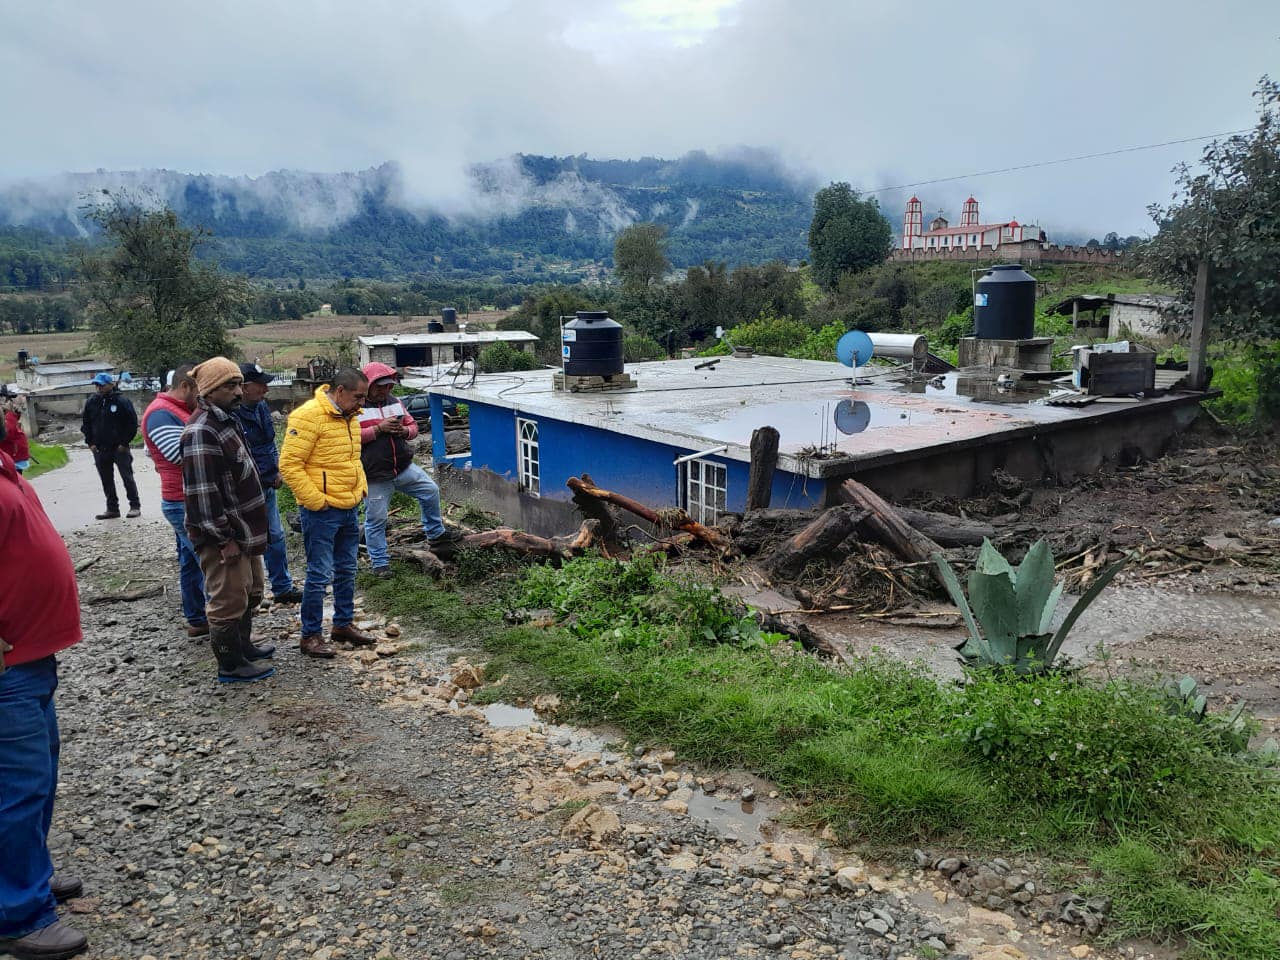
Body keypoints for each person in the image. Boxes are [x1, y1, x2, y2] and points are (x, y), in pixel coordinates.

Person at [0, 414, 90, 960]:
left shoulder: (8, 466)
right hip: (8, 672)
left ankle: (26, 876)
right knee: (17, 787)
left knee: (39, 776)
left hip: (32, 658)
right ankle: (19, 916)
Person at [181, 357, 275, 683]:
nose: (238, 391)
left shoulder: (227, 421)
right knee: (227, 601)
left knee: (250, 592)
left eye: (238, 384)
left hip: (243, 532)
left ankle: (244, 648)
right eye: (229, 386)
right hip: (224, 538)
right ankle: (230, 665)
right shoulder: (201, 431)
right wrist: (225, 540)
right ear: (209, 390)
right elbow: (202, 497)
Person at [279, 367, 376, 658]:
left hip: (349, 504)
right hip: (321, 510)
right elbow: (289, 465)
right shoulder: (308, 416)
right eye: (359, 396)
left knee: (347, 568)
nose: (363, 402)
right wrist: (315, 500)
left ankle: (342, 624)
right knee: (319, 574)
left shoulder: (351, 417)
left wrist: (360, 489)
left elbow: (351, 459)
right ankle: (309, 635)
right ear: (341, 391)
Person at [358, 362, 461, 578]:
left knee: (430, 491)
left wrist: (404, 431)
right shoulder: (355, 407)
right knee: (376, 519)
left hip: (402, 467)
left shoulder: (395, 403)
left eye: (388, 387)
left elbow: (414, 426)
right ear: (367, 385)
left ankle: (435, 534)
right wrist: (378, 429)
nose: (384, 391)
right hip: (375, 475)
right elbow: (349, 437)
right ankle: (380, 564)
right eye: (379, 387)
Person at [142, 364, 209, 638]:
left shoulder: (176, 411)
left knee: (191, 563)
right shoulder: (160, 413)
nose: (201, 397)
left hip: (184, 498)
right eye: (199, 391)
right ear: (185, 387)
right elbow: (178, 455)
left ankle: (198, 619)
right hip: (183, 500)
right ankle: (226, 626)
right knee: (212, 565)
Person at [232, 363, 302, 604]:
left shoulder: (260, 406)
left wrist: (276, 469)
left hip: (268, 482)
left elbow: (268, 443)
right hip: (243, 489)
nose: (266, 388)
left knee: (276, 535)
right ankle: (247, 595)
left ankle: (282, 588)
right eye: (260, 384)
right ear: (244, 386)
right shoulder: (230, 413)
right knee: (244, 540)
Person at [81, 372, 140, 520]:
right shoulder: (91, 402)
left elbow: (132, 423)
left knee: (127, 477)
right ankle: (112, 508)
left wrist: (124, 442)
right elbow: (86, 423)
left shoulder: (121, 401)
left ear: (110, 384)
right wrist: (90, 443)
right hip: (100, 448)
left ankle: (135, 506)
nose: (98, 388)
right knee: (106, 480)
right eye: (96, 385)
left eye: (101, 385)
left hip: (119, 448)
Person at [0, 392, 31, 473]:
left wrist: (15, 413)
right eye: (8, 401)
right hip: (12, 456)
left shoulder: (10, 415)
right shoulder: (7, 417)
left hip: (15, 455)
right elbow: (6, 433)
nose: (12, 403)